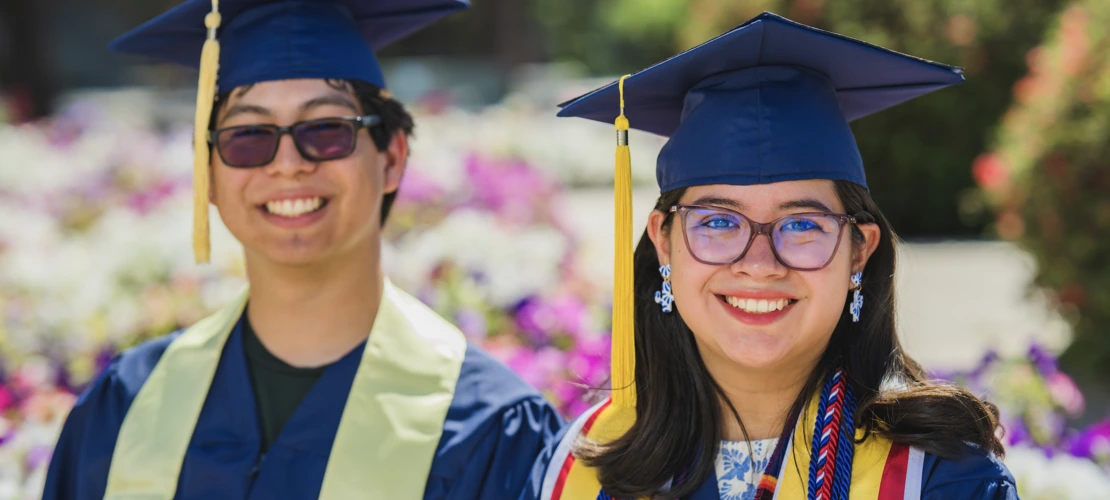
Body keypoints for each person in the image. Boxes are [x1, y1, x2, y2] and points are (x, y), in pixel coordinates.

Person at [44, 1, 562, 498]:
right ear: (210, 173)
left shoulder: (491, 430)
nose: (288, 163)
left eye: (327, 130)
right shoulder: (127, 405)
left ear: (392, 158)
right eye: (248, 136)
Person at [527, 12, 1018, 500]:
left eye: (802, 224)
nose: (759, 264)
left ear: (859, 253)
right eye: (718, 221)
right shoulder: (583, 469)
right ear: (663, 242)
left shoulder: (940, 479)